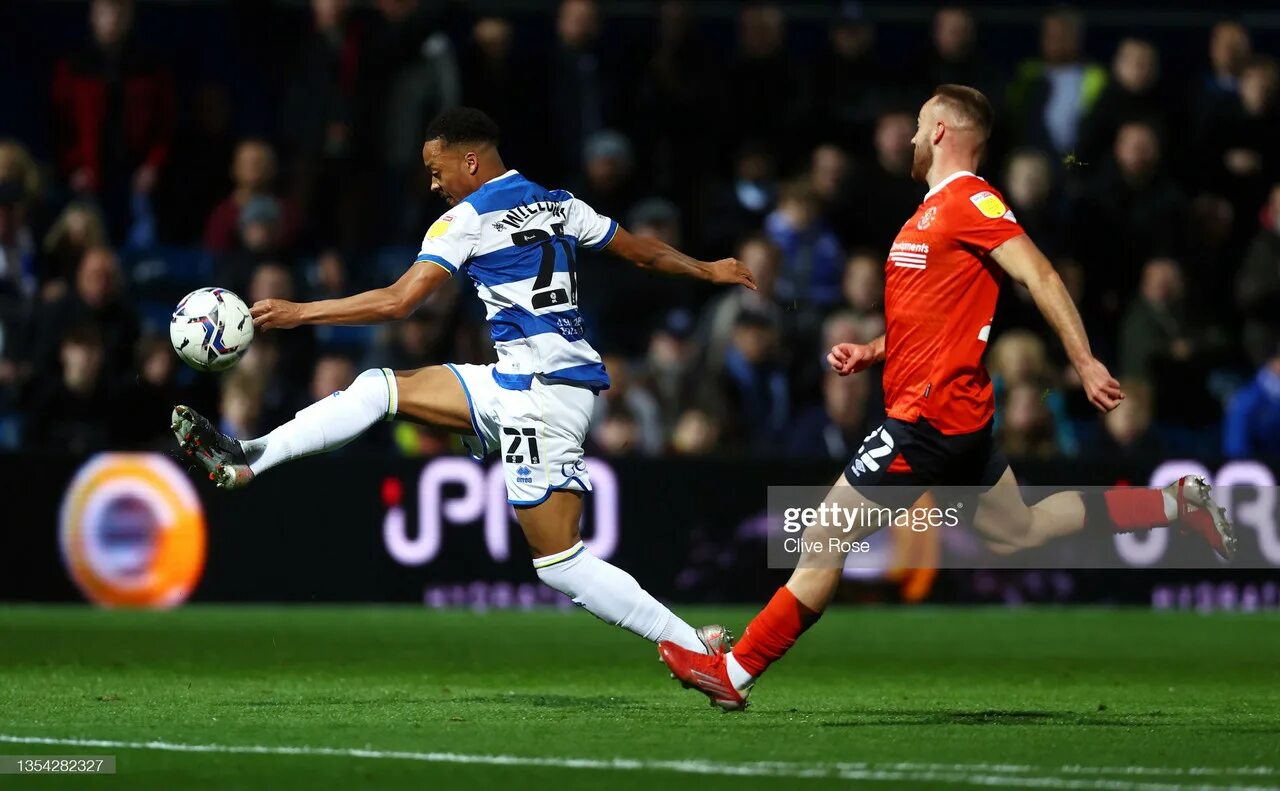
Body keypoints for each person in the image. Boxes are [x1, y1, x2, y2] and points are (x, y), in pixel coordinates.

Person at [658, 85, 1236, 712]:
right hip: (954, 416)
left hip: (927, 418)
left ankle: (734, 672)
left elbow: (1039, 274)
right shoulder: (926, 215)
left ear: (940, 131)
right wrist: (873, 351)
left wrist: (1084, 360)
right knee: (1022, 529)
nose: (908, 137)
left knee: (825, 533)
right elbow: (931, 320)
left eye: (916, 126)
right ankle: (1176, 505)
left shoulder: (973, 201)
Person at [170, 108, 754, 657]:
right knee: (378, 387)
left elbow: (399, 301)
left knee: (558, 562)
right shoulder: (559, 202)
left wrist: (301, 313)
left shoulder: (466, 220)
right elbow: (642, 251)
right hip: (521, 380)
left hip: (540, 394)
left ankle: (692, 645)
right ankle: (249, 458)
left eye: (435, 169)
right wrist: (709, 268)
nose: (433, 184)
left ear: (469, 161)